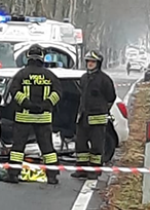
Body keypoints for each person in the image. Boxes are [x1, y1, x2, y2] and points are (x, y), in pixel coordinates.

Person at [6, 44, 63, 184]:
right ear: (42, 57)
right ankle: (52, 175)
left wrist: (26, 104)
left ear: (28, 56)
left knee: (18, 148)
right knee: (47, 148)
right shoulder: (50, 75)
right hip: (43, 118)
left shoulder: (21, 74)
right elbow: (58, 93)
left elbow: (14, 91)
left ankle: (13, 174)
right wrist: (46, 105)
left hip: (23, 117)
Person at [73, 51, 117, 180]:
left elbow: (111, 97)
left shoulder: (104, 79)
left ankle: (95, 170)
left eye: (93, 62)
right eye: (88, 61)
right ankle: (81, 169)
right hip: (83, 118)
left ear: (98, 63)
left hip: (97, 118)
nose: (90, 64)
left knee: (96, 146)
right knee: (80, 145)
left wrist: (102, 109)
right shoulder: (84, 78)